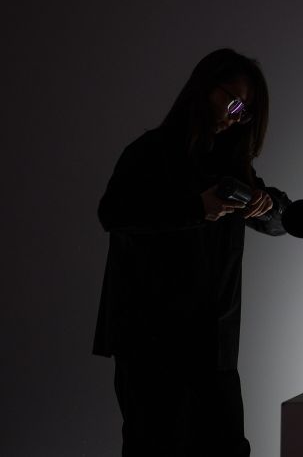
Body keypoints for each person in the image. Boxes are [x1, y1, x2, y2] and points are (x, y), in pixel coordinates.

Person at [93, 48, 291, 457]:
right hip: (151, 344)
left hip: (213, 346)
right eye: (232, 102)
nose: (235, 117)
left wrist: (267, 203)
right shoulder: (149, 152)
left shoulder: (229, 166)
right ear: (205, 88)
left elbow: (282, 223)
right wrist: (196, 208)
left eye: (244, 112)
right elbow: (112, 213)